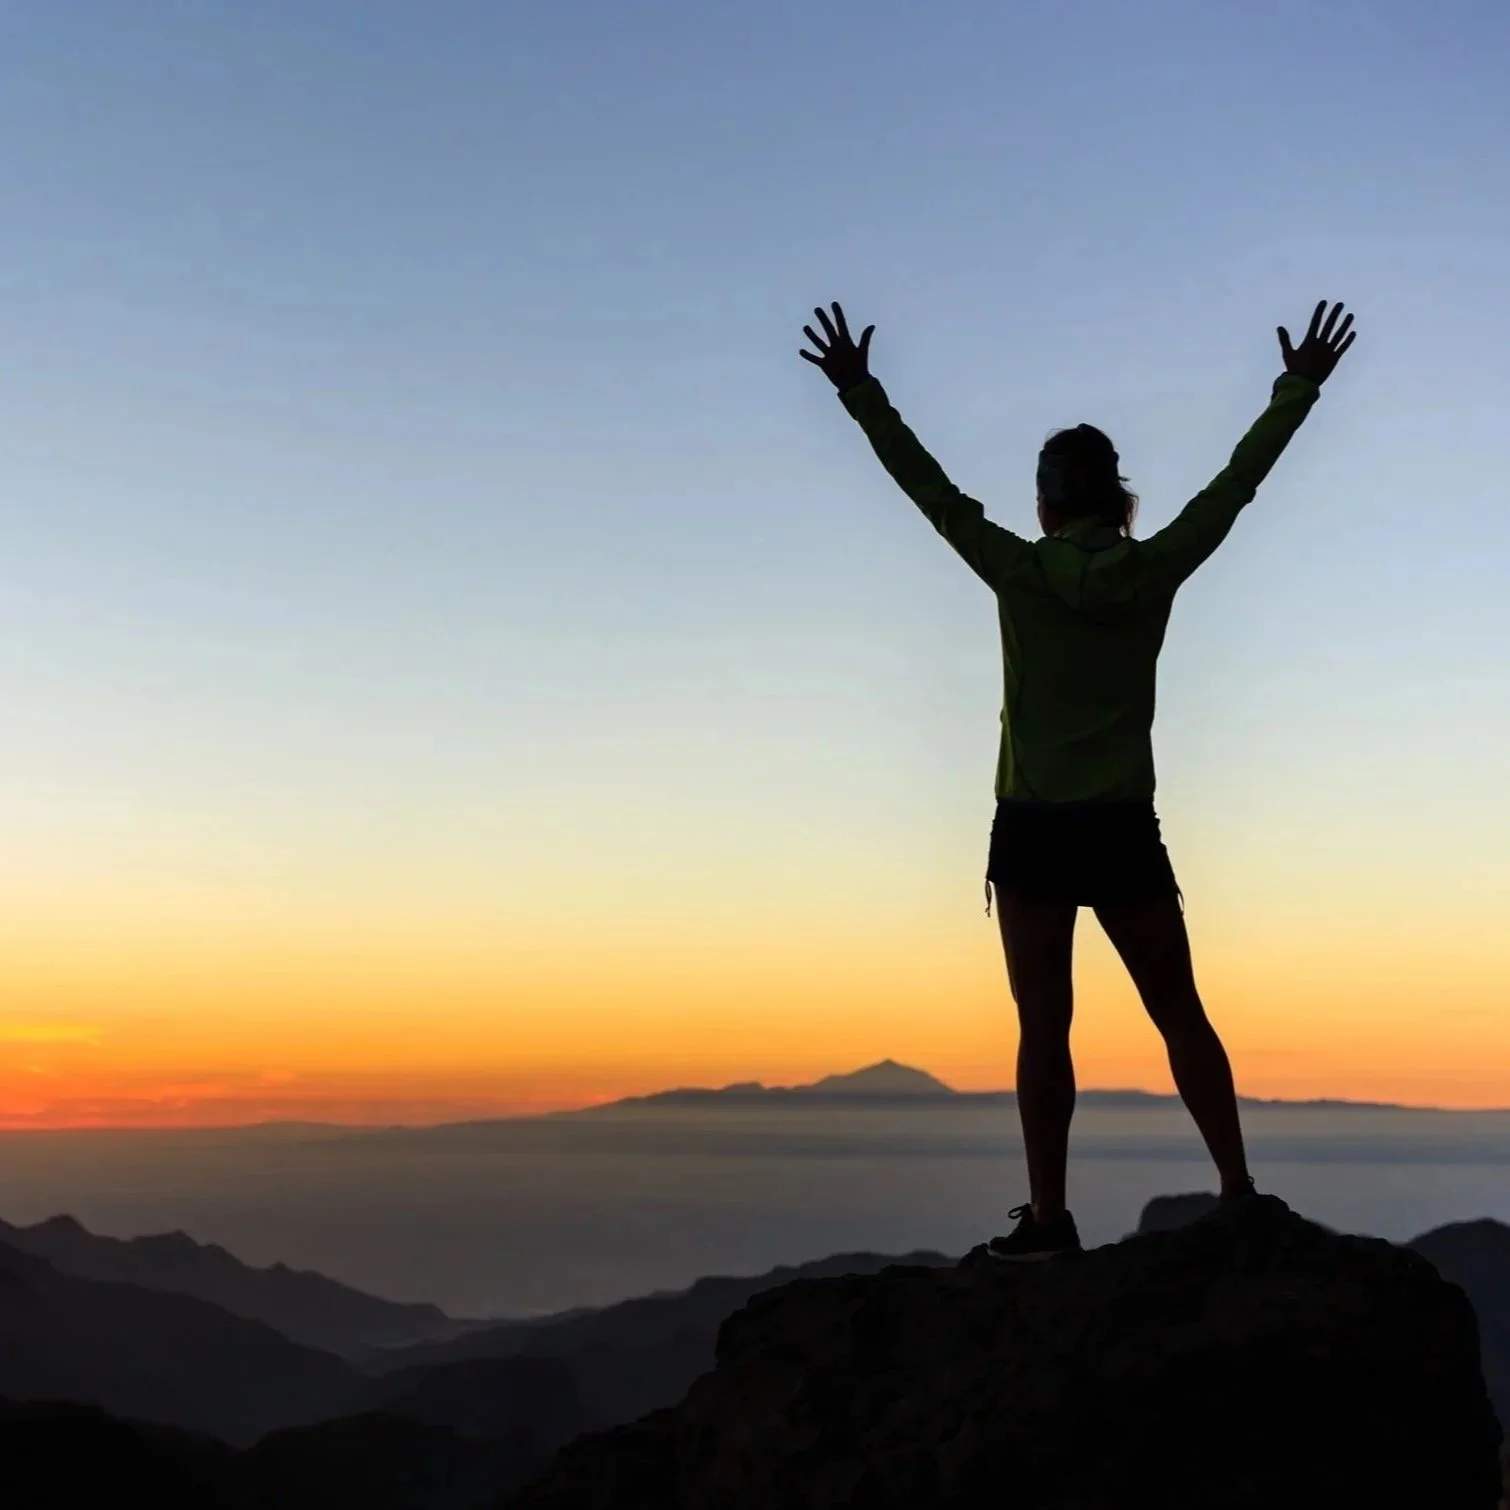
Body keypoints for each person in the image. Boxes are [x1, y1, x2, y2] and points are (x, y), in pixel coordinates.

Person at [800, 299, 1356, 1260]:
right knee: (1179, 1011)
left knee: (1043, 1028)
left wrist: (860, 392)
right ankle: (1236, 1188)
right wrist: (1298, 386)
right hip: (1121, 829)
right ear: (1120, 502)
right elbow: (1238, 483)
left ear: (1048, 505)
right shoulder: (1156, 569)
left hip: (1031, 832)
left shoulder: (1017, 571)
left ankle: (1050, 1220)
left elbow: (928, 491)